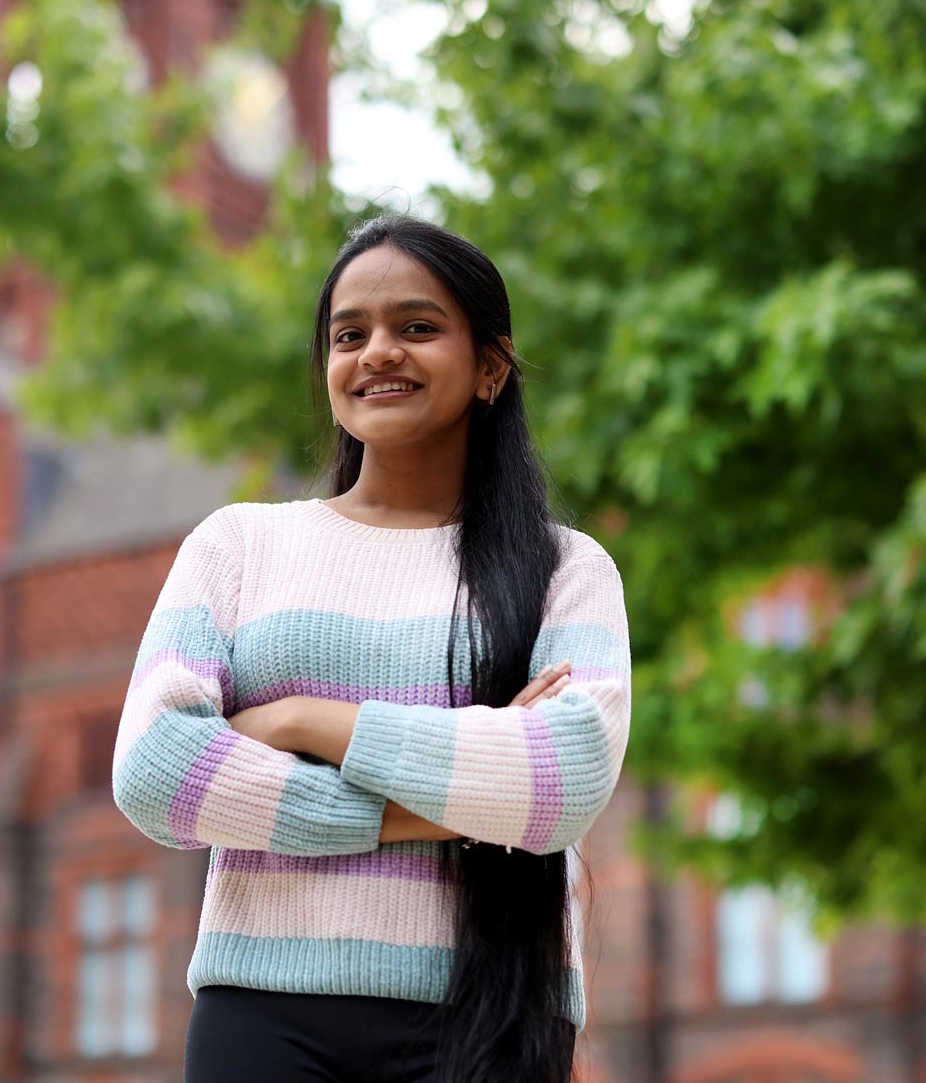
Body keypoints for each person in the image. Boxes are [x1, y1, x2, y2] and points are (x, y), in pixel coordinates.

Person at [111, 213, 633, 1082]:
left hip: (495, 1014)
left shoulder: (567, 569)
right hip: (265, 1011)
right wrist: (446, 801)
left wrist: (298, 718)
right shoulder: (237, 546)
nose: (377, 352)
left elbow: (562, 782)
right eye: (349, 335)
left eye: (416, 328)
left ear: (491, 367)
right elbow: (157, 771)